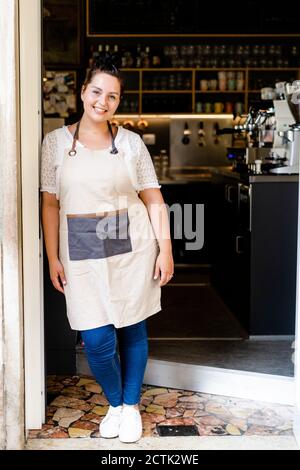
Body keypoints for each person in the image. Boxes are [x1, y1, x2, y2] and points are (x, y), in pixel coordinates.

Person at [40, 53, 174, 443]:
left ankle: (129, 407)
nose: (103, 101)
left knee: (132, 326)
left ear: (119, 102)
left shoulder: (131, 144)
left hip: (131, 246)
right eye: (97, 91)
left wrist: (164, 249)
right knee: (96, 338)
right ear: (83, 92)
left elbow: (154, 200)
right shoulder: (55, 144)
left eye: (112, 96)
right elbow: (50, 204)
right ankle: (115, 401)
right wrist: (52, 257)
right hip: (80, 247)